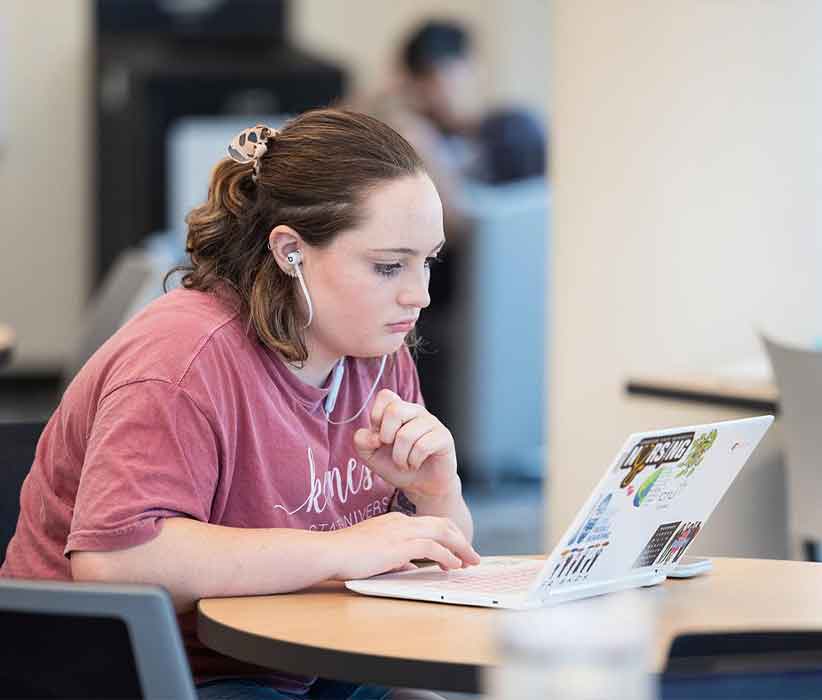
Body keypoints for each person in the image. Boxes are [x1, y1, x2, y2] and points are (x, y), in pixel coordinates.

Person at [0, 109, 480, 700]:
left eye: (426, 261)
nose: (419, 294)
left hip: (299, 652)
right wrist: (342, 550)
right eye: (387, 266)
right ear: (290, 251)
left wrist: (438, 494)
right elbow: (116, 563)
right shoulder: (181, 361)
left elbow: (435, 565)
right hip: (152, 672)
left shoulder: (375, 348)